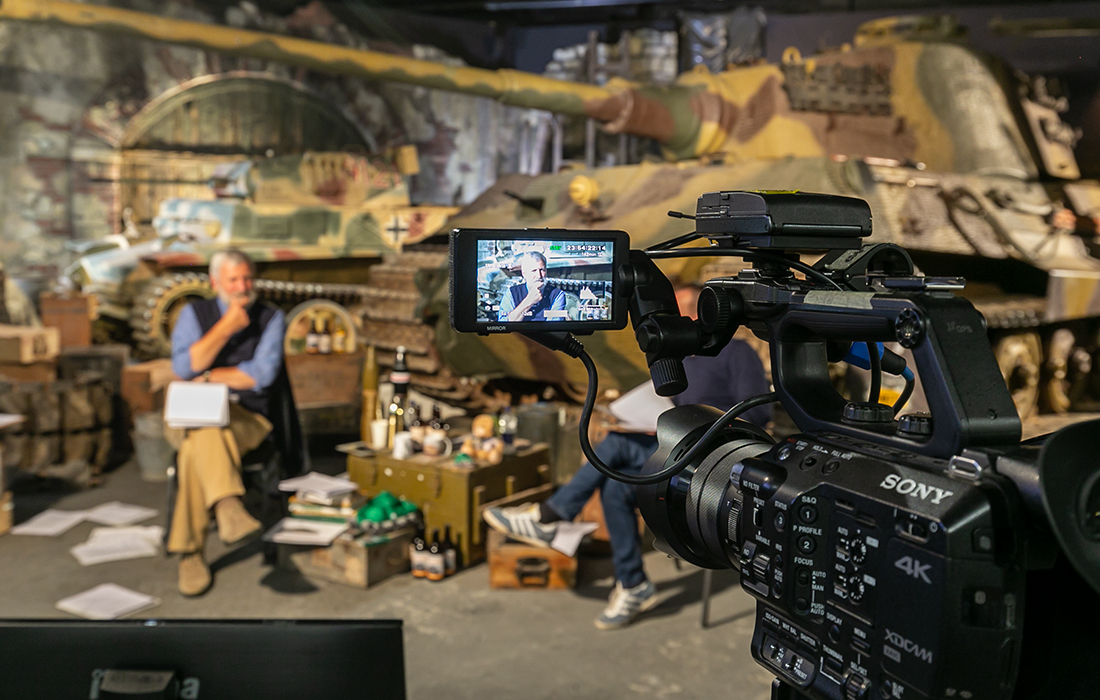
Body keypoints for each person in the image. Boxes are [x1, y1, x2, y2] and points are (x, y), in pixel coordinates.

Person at [484, 284, 771, 629]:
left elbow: (756, 415)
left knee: (614, 449)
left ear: (699, 316)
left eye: (674, 314)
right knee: (615, 487)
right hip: (679, 453)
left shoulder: (737, 353)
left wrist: (700, 423)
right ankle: (633, 584)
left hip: (715, 462)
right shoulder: (680, 360)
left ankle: (551, 515)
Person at [166, 249, 286, 596]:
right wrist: (225, 328)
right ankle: (228, 505)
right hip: (188, 413)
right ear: (216, 282)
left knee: (195, 448)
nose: (242, 286)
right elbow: (181, 368)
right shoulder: (194, 314)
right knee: (203, 427)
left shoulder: (271, 317)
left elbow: (260, 375)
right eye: (233, 279)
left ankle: (190, 553)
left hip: (246, 417)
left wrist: (206, 377)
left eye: (247, 277)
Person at [498, 251, 566, 322]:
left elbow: (554, 325)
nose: (539, 276)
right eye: (534, 271)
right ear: (524, 273)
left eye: (542, 270)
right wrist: (529, 301)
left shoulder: (557, 294)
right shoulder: (511, 293)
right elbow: (504, 322)